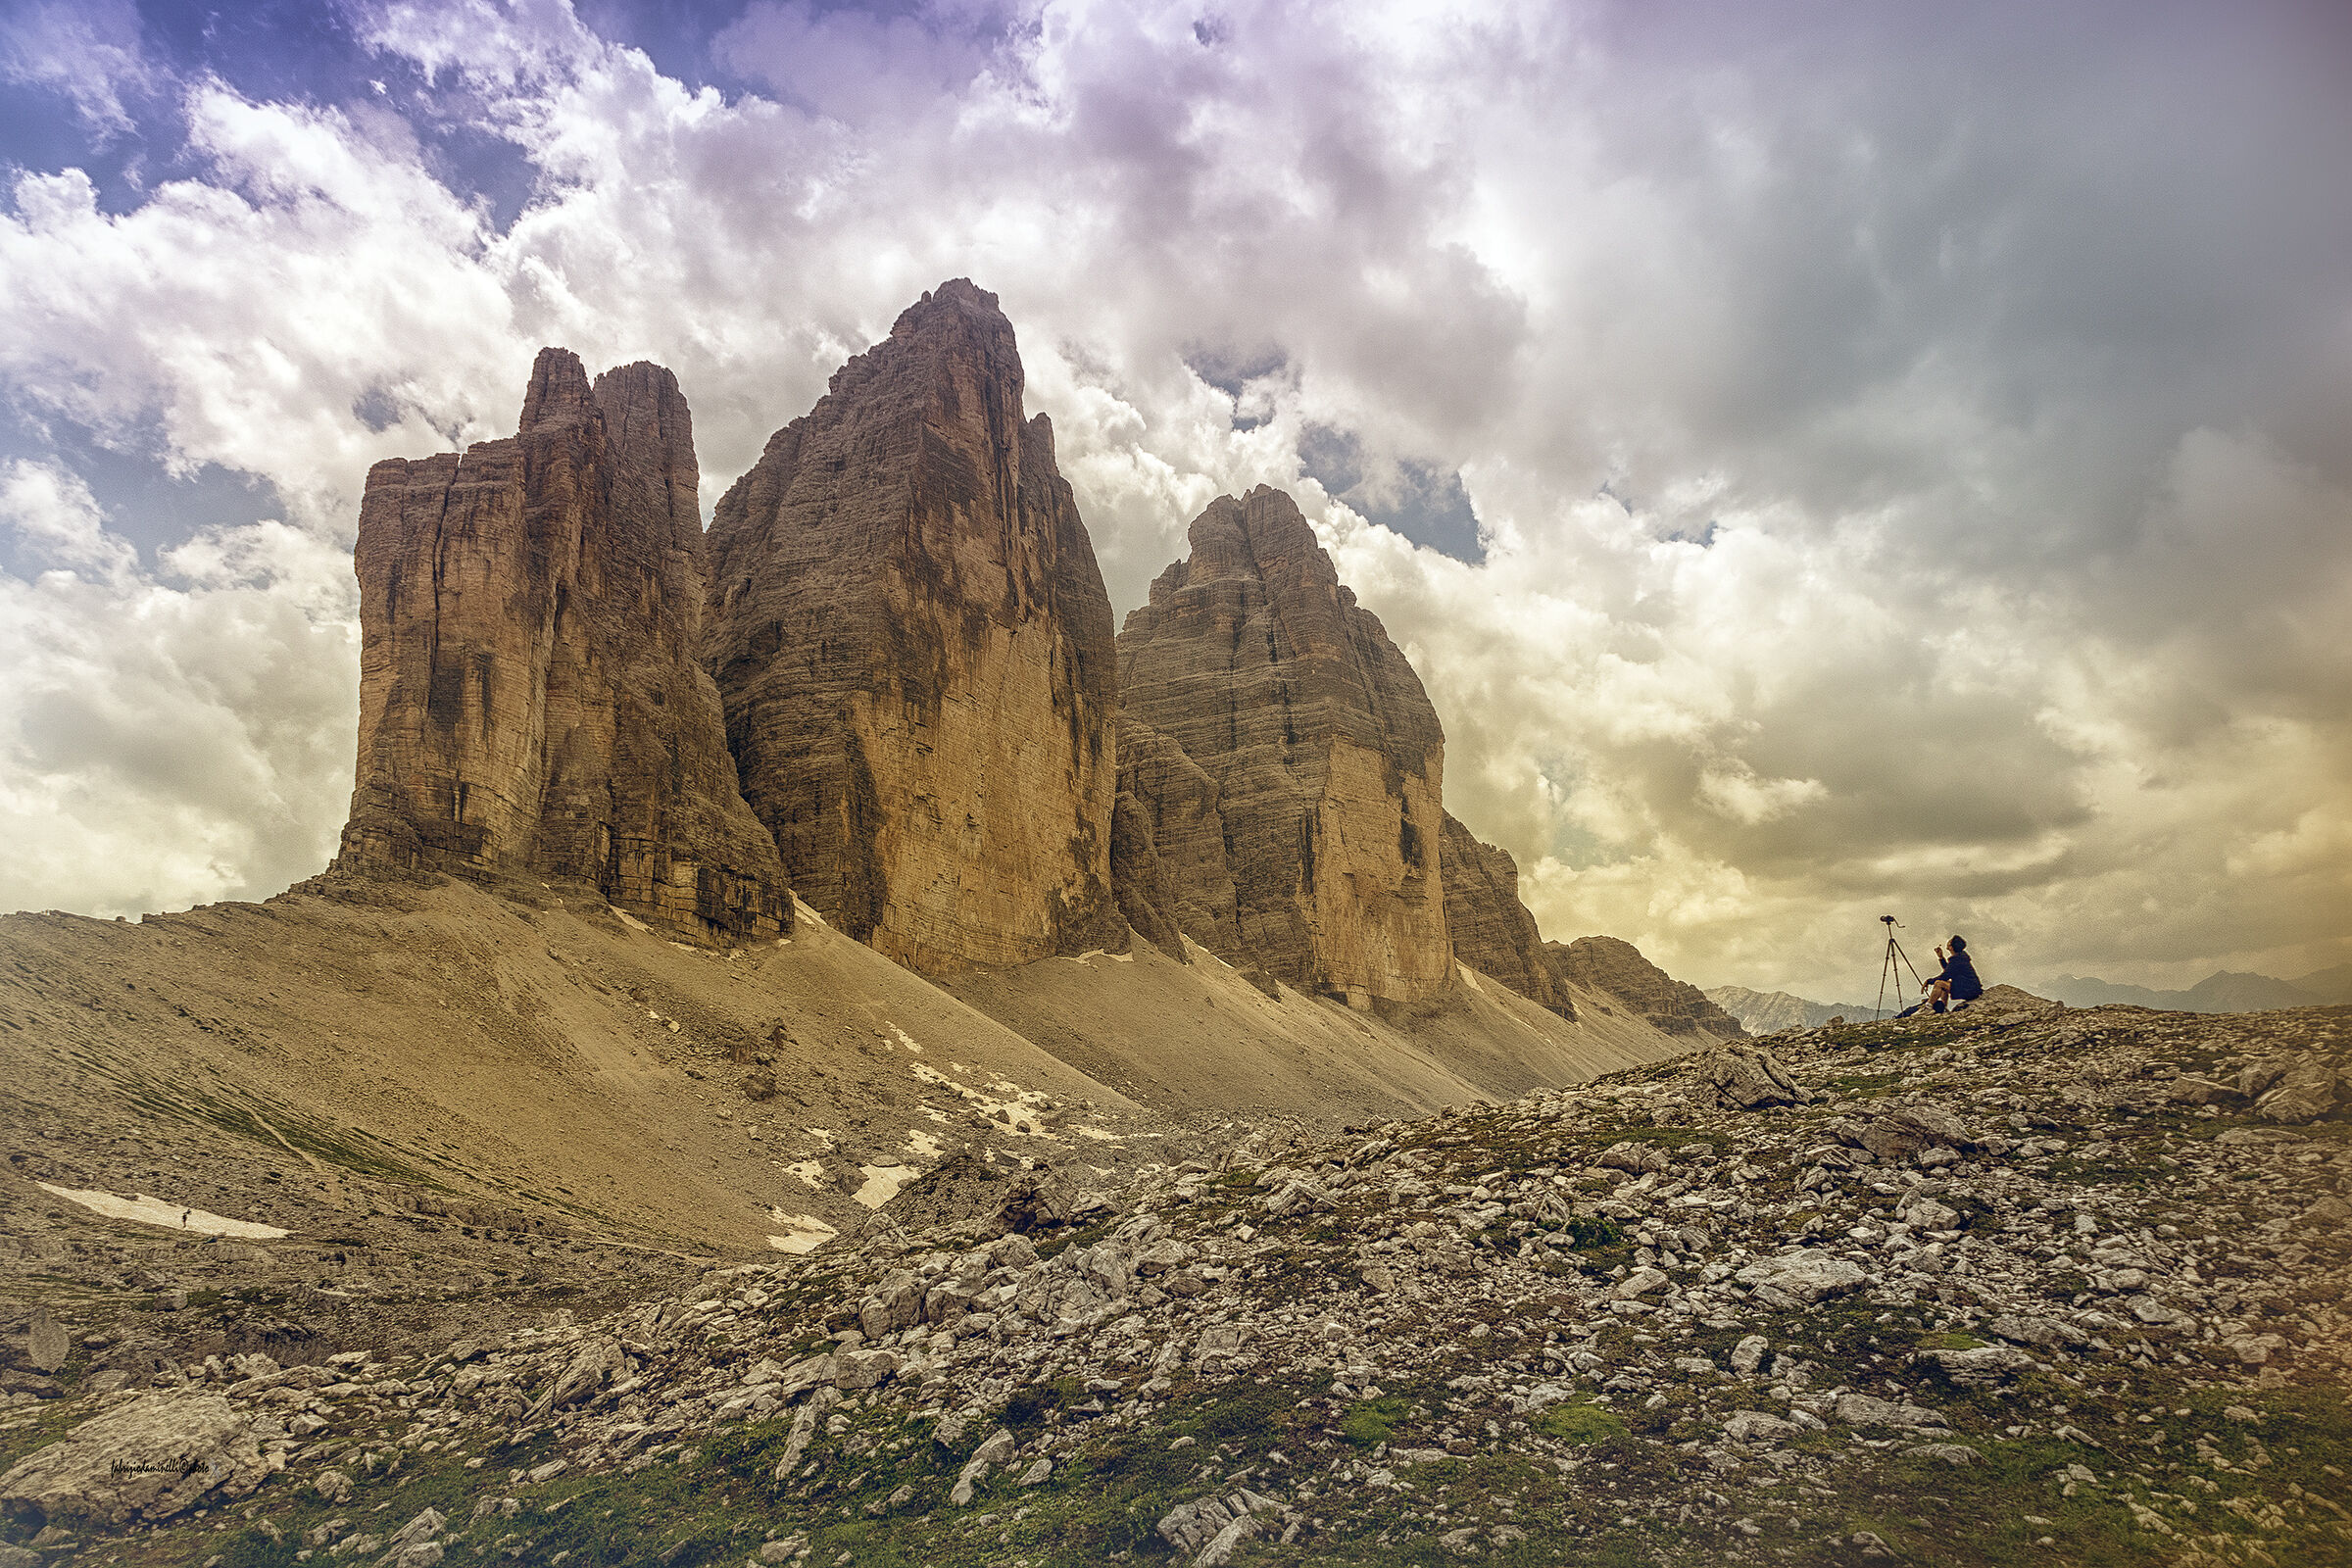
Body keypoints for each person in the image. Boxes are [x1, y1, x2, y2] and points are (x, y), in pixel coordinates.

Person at [1899, 935, 1983, 1016]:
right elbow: (1949, 971)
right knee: (1944, 983)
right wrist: (1941, 957)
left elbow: (1945, 976)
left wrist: (1929, 981)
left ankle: (1928, 1008)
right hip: (1971, 988)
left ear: (1951, 947)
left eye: (1950, 942)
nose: (1948, 942)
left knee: (1939, 983)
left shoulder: (1957, 959)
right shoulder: (1960, 957)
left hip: (1970, 990)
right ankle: (1943, 1007)